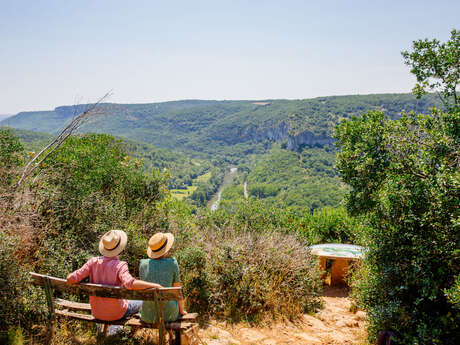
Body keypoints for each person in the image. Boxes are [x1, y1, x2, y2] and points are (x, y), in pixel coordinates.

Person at [66, 229, 163, 324]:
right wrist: (155, 285)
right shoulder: (120, 265)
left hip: (97, 312)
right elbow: (130, 283)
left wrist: (70, 275)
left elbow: (70, 279)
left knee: (127, 301)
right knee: (141, 301)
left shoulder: (92, 262)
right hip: (117, 314)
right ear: (121, 248)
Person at [139, 232, 186, 324]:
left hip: (147, 315)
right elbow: (177, 290)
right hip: (169, 315)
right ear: (166, 249)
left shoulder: (143, 264)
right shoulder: (172, 263)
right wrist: (181, 311)